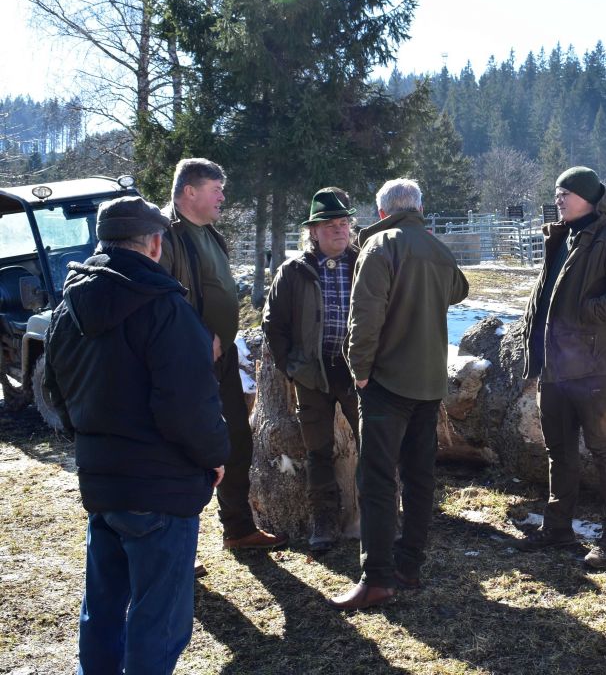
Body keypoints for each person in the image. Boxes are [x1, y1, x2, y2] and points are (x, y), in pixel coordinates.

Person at [43, 196, 230, 673]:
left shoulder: (68, 308)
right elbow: (188, 404)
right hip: (160, 486)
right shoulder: (165, 307)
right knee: (158, 621)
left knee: (103, 611)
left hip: (103, 483)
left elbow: (56, 392)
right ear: (153, 245)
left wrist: (95, 442)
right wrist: (214, 455)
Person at [328, 178, 469, 610]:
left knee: (376, 479)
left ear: (382, 211)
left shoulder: (379, 245)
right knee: (419, 477)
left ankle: (376, 578)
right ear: (418, 209)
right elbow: (460, 290)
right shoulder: (436, 247)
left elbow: (364, 316)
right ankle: (409, 565)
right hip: (429, 382)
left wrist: (359, 370)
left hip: (386, 382)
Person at [514, 166, 606, 569]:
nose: (558, 199)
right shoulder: (561, 237)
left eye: (565, 193)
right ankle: (558, 528)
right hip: (554, 366)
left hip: (593, 368)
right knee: (559, 451)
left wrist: (588, 312)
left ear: (588, 198)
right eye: (557, 193)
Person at [161, 158, 286, 551]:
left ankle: (238, 529)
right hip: (188, 360)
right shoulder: (165, 235)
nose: (222, 198)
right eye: (215, 190)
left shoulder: (210, 233)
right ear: (189, 191)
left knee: (234, 438)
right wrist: (200, 337)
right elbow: (161, 300)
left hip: (222, 356)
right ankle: (177, 547)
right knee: (187, 447)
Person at [263, 188, 360, 551]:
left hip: (359, 373)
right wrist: (292, 367)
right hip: (312, 374)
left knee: (374, 445)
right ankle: (325, 522)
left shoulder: (365, 263)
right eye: (330, 224)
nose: (339, 229)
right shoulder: (293, 271)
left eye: (344, 222)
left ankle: (376, 517)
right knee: (318, 451)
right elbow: (273, 324)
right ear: (313, 232)